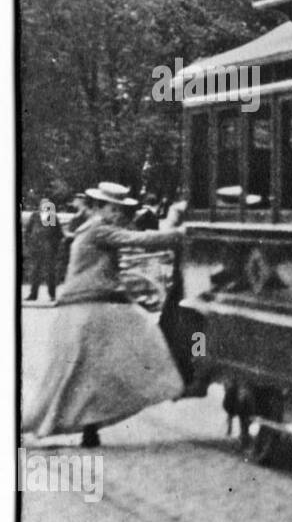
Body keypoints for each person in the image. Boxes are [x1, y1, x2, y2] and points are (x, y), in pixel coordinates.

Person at [22, 183, 187, 448]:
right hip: (91, 307)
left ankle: (82, 429)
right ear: (100, 207)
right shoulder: (99, 229)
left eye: (122, 209)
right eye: (114, 208)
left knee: (81, 373)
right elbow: (138, 240)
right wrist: (180, 233)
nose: (119, 214)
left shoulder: (88, 227)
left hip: (84, 307)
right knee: (134, 345)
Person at [24, 195, 63, 302]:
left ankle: (52, 294)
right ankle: (33, 294)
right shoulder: (35, 216)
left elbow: (59, 234)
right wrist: (29, 243)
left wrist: (54, 247)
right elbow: (28, 231)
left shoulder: (52, 217)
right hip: (36, 248)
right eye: (42, 204)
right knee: (35, 271)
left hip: (48, 249)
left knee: (50, 272)